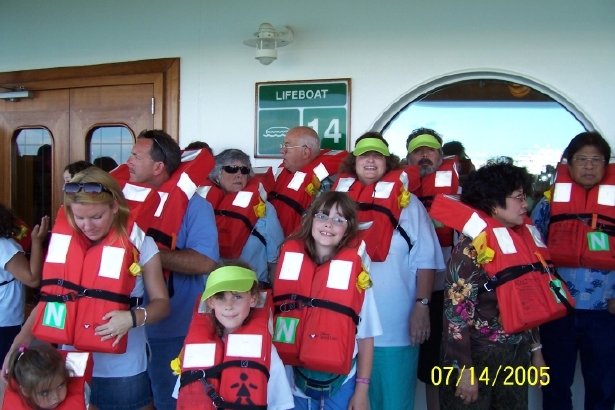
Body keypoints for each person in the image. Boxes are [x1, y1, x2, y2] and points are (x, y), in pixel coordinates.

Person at [2, 167, 170, 410]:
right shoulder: (64, 244)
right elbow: (51, 299)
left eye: (96, 217)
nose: (87, 226)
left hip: (123, 368)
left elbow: (162, 305)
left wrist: (131, 318)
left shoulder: (141, 243)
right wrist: (16, 347)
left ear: (114, 206)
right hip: (70, 366)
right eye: (79, 218)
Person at [335, 132, 444, 410]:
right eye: (364, 155)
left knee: (394, 402)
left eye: (378, 156)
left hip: (394, 326)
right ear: (354, 161)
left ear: (388, 163)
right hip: (342, 326)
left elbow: (426, 260)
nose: (371, 160)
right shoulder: (334, 204)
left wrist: (422, 307)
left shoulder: (410, 205)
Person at [432, 161, 551, 409]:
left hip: (514, 356)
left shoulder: (522, 242)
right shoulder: (469, 250)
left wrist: (536, 350)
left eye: (525, 197)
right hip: (475, 359)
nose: (525, 204)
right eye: (518, 198)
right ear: (494, 204)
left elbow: (527, 302)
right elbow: (455, 316)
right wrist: (464, 370)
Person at [125, 129, 219, 410]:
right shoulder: (121, 203)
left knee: (169, 402)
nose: (128, 161)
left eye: (136, 156)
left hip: (173, 329)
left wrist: (147, 255)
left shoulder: (196, 207)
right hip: (126, 328)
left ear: (158, 167)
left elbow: (205, 262)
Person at [272, 191, 381, 409]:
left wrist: (362, 391)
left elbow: (366, 338)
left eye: (339, 220)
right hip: (292, 385)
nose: (328, 224)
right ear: (311, 220)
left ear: (348, 229)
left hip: (342, 386)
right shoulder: (289, 268)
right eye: (322, 216)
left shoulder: (356, 279)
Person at [531, 131, 615, 410]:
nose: (589, 166)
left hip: (606, 312)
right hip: (558, 310)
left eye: (596, 159)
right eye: (582, 159)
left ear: (606, 164)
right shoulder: (548, 203)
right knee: (555, 386)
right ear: (569, 163)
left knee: (603, 388)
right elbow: (530, 251)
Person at [172, 262, 294, 410]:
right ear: (210, 302)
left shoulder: (267, 353)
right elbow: (183, 396)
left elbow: (281, 405)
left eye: (237, 297)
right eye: (220, 297)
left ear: (253, 299)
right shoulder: (194, 350)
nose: (228, 306)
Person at [406, 128, 459, 410]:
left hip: (455, 294)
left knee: (456, 366)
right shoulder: (399, 194)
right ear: (408, 158)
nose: (424, 155)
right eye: (418, 151)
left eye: (430, 150)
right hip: (412, 292)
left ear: (441, 156)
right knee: (431, 371)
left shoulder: (462, 192)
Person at [206, 149, 284, 284]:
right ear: (217, 174)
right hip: (213, 288)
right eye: (231, 169)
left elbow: (275, 261)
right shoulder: (202, 207)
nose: (239, 175)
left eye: (244, 170)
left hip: (252, 288)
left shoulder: (264, 209)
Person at [269, 126, 347, 237]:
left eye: (287, 146)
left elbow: (323, 229)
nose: (282, 150)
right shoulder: (284, 173)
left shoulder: (322, 184)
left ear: (305, 153)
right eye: (283, 145)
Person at [0, 204, 48, 361]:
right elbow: (32, 279)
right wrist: (37, 241)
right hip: (5, 320)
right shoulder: (4, 247)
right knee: (7, 366)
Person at [4, 344, 91, 409]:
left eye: (60, 386)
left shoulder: (81, 400)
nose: (55, 397)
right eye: (45, 393)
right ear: (26, 391)